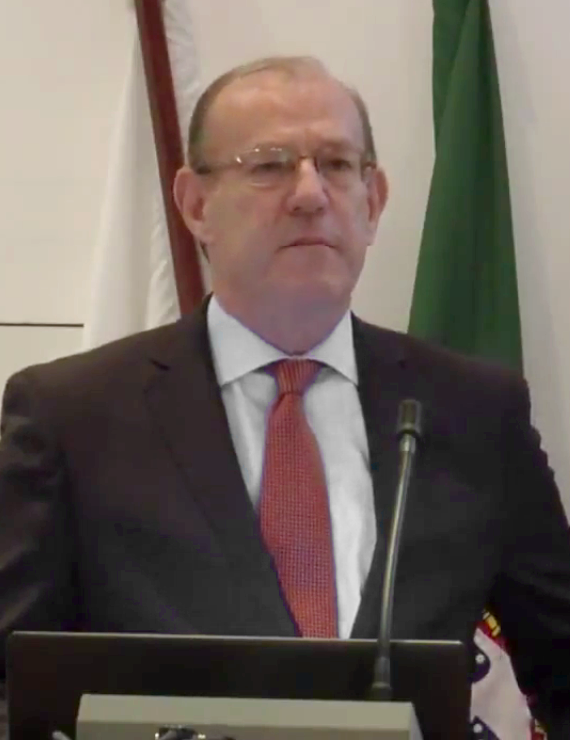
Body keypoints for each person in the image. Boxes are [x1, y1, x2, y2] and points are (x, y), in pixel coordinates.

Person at [1, 55, 570, 737]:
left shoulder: (475, 412)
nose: (309, 194)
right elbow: (11, 687)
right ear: (196, 204)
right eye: (269, 165)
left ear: (373, 201)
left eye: (336, 165)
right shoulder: (72, 416)